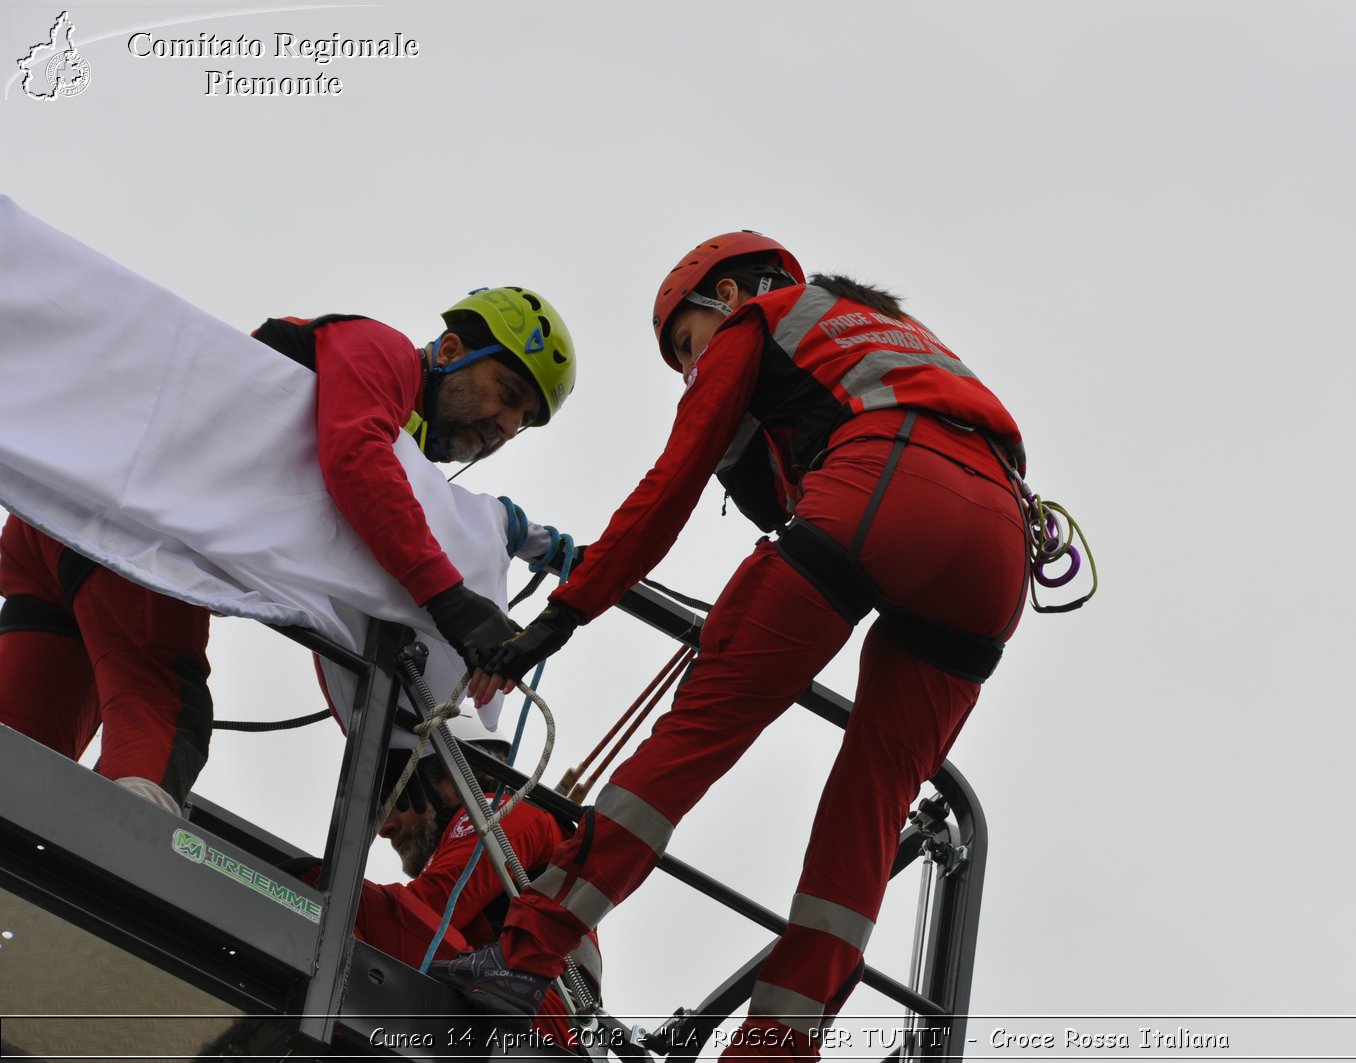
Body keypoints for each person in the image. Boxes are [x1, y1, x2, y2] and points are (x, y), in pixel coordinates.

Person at [433, 233, 1030, 1059]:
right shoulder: (889, 338)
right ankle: (780, 1046)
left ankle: (526, 953)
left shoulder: (759, 320)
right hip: (1002, 548)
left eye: (687, 343)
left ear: (730, 293)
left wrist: (564, 613)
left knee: (699, 731)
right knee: (873, 804)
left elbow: (669, 487)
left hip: (886, 482)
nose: (688, 368)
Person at [0, 286, 575, 814]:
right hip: (133, 529)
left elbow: (404, 494)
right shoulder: (384, 351)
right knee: (165, 710)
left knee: (21, 741)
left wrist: (538, 542)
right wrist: (451, 600)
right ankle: (113, 865)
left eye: (523, 420)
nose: (505, 425)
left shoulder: (390, 418)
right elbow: (357, 461)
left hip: (70, 514)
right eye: (507, 393)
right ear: (450, 349)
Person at [364, 740, 602, 1047]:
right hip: (526, 1007)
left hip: (534, 1008)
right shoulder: (504, 819)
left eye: (397, 797)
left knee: (348, 907)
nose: (384, 826)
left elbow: (429, 908)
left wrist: (305, 880)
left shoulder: (498, 810)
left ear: (449, 781)